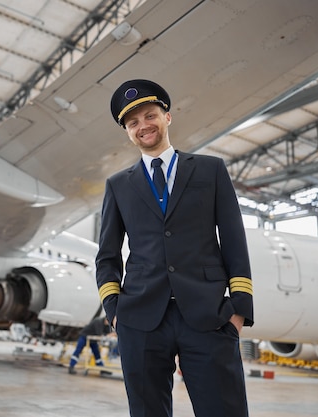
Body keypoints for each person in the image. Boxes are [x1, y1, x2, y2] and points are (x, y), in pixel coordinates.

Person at [96, 79, 254, 417]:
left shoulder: (211, 170)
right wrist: (114, 310)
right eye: (133, 123)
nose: (143, 127)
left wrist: (239, 308)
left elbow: (234, 239)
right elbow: (107, 256)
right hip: (140, 319)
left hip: (208, 314)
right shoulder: (118, 185)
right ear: (127, 132)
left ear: (167, 117)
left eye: (150, 116)